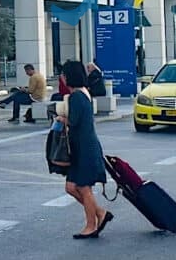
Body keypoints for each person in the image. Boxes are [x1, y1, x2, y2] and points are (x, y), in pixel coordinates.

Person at [56, 60, 113, 239]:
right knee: (71, 187)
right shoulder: (82, 93)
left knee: (83, 187)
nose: (62, 77)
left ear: (69, 76)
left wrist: (60, 118)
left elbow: (74, 121)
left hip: (85, 149)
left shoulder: (76, 97)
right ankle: (100, 213)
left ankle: (91, 226)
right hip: (82, 147)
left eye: (64, 74)